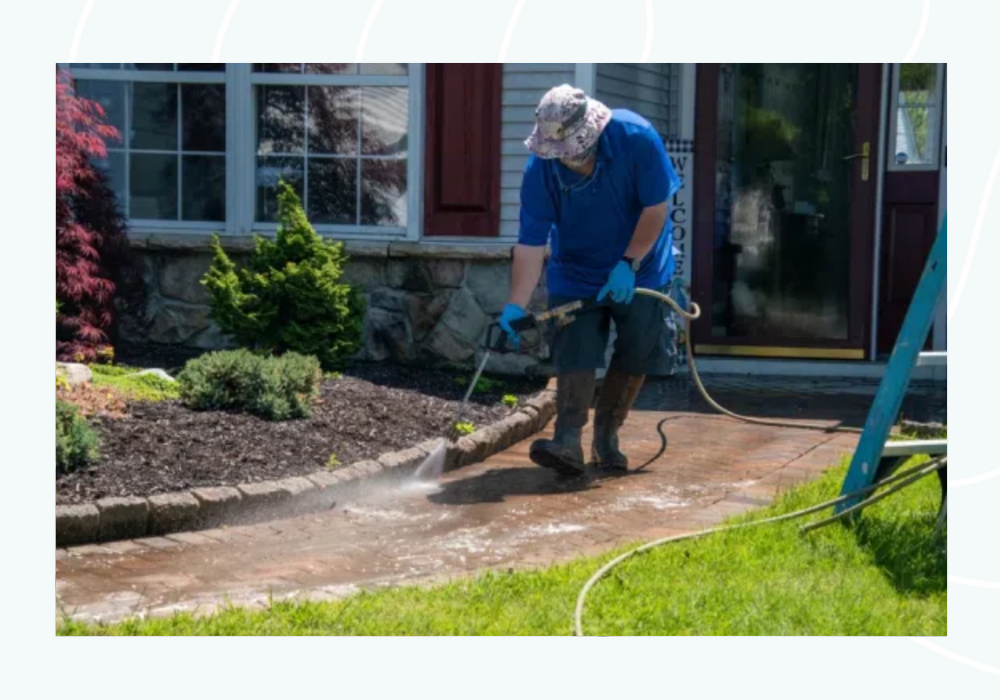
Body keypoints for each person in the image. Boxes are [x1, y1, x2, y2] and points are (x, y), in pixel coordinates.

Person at [500, 84, 682, 477]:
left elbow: (656, 208)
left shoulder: (636, 139)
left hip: (643, 266)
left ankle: (607, 437)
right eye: (560, 155)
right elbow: (531, 244)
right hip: (576, 269)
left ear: (594, 134)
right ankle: (567, 440)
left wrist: (628, 262)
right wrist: (515, 305)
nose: (568, 161)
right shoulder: (541, 169)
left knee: (637, 352)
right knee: (575, 349)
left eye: (575, 153)